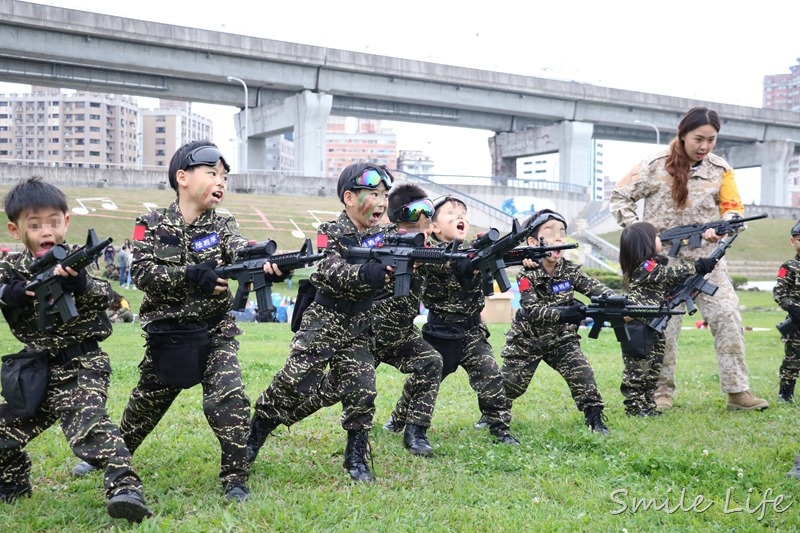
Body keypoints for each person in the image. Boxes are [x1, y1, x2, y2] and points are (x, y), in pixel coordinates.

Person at [71, 140, 283, 501]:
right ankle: (110, 454)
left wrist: (264, 264)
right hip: (168, 335)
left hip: (215, 331)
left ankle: (235, 477)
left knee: (228, 398)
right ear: (182, 177)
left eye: (225, 177)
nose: (221, 182)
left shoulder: (223, 224)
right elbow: (141, 273)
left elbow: (238, 250)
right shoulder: (150, 224)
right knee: (144, 406)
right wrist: (190, 275)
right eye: (213, 173)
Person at [0, 176, 151, 522]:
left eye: (54, 222)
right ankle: (12, 483)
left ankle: (126, 489)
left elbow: (106, 296)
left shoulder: (76, 262)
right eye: (34, 225)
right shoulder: (11, 269)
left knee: (89, 429)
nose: (46, 231)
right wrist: (7, 293)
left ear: (66, 222)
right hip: (35, 371)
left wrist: (78, 282)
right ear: (14, 229)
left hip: (81, 364)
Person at [610, 106, 768, 412]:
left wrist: (723, 228)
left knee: (727, 318)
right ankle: (660, 393)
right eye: (699, 138)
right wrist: (641, 235)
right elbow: (619, 196)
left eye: (711, 140)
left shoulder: (721, 170)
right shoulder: (653, 166)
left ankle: (738, 392)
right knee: (662, 328)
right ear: (682, 135)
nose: (705, 146)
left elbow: (733, 209)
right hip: (662, 265)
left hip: (708, 262)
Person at [246, 162, 393, 483]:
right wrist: (365, 273)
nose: (381, 202)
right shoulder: (330, 232)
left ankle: (355, 457)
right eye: (374, 194)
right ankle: (254, 435)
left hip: (360, 325)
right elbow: (326, 270)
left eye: (385, 195)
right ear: (349, 198)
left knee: (362, 388)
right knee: (294, 381)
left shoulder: (386, 239)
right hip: (324, 322)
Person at [495, 209, 612, 434]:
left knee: (582, 373)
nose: (558, 237)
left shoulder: (569, 271)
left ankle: (594, 417)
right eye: (549, 231)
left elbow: (596, 288)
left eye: (562, 232)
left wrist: (616, 301)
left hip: (561, 339)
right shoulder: (527, 274)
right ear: (532, 241)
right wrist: (564, 314)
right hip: (527, 341)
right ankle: (492, 415)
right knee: (510, 385)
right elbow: (532, 310)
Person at [418, 195, 519, 445]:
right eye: (450, 213)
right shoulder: (426, 253)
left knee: (490, 374)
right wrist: (460, 265)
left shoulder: (476, 251)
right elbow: (439, 268)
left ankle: (499, 427)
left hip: (472, 331)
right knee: (424, 381)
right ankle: (400, 419)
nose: (459, 217)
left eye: (463, 213)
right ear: (434, 227)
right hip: (440, 331)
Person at [617, 221, 717, 417]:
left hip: (654, 325)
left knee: (653, 368)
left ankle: (648, 406)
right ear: (644, 243)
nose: (659, 239)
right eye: (654, 236)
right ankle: (634, 408)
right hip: (639, 325)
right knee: (638, 370)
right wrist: (696, 266)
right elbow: (667, 273)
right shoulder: (644, 267)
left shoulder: (654, 265)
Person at [375, 184, 442, 457]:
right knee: (330, 389)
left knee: (432, 362)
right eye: (418, 211)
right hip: (364, 333)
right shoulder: (380, 240)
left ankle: (416, 432)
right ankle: (264, 422)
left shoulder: (428, 247)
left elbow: (459, 256)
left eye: (429, 211)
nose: (426, 217)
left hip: (400, 333)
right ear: (400, 215)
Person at [773, 220, 800, 402]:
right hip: (797, 322)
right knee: (792, 359)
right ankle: (785, 394)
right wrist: (794, 309)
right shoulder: (788, 267)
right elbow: (779, 293)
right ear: (793, 241)